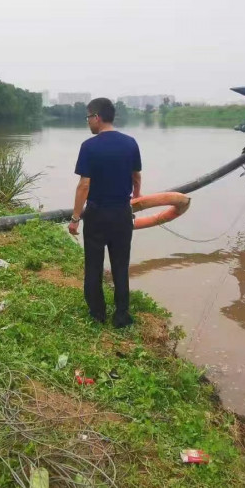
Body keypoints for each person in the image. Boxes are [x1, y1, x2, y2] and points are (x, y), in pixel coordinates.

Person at [68, 98, 142, 328]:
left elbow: (84, 185)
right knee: (121, 264)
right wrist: (135, 199)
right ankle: (121, 315)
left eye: (88, 117)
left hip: (97, 214)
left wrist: (75, 218)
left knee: (94, 264)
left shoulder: (89, 146)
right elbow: (136, 177)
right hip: (122, 213)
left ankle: (97, 313)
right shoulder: (130, 143)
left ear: (97, 117)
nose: (88, 122)